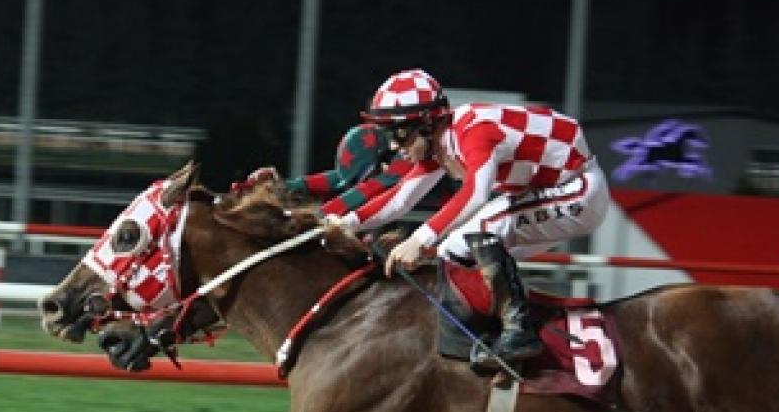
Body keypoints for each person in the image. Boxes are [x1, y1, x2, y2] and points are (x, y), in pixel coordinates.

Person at [333, 68, 611, 368]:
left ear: (427, 123)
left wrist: (419, 238)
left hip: (578, 190)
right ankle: (505, 331)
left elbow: (477, 193)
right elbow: (401, 199)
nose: (392, 146)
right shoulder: (441, 142)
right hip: (550, 190)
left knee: (467, 238)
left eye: (397, 133)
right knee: (459, 254)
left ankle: (519, 334)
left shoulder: (475, 130)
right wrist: (344, 223)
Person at [236, 121, 414, 218]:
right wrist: (280, 187)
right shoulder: (387, 152)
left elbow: (370, 187)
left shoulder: (405, 157)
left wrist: (318, 216)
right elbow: (337, 178)